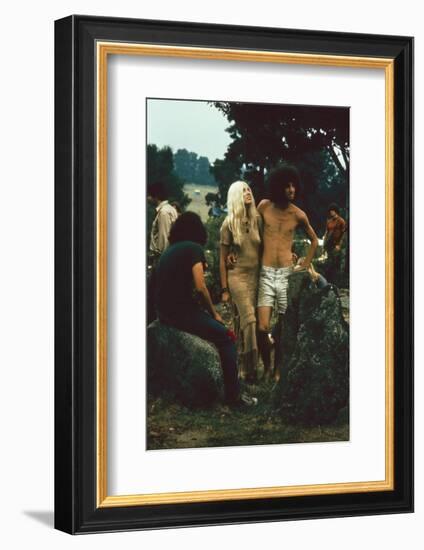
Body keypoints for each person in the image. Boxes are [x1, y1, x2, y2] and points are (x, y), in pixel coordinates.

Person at [155, 211, 257, 407]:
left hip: (164, 313)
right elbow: (201, 286)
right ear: (197, 230)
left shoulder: (170, 250)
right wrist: (214, 314)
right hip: (180, 312)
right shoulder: (194, 249)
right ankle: (234, 396)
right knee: (227, 337)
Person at [257, 164, 318, 381]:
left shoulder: (299, 215)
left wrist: (304, 264)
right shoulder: (264, 206)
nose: (291, 189)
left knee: (283, 329)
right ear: (278, 186)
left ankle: (277, 369)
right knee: (263, 328)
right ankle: (266, 365)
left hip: (285, 275)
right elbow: (251, 233)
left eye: (294, 186)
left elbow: (314, 240)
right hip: (265, 273)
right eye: (287, 186)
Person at [219, 181, 262, 384]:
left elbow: (266, 246)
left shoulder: (257, 220)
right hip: (237, 276)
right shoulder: (228, 224)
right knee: (250, 320)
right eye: (243, 190)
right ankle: (249, 372)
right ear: (236, 195)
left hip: (255, 276)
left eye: (249, 189)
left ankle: (244, 367)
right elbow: (222, 259)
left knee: (246, 325)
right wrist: (224, 289)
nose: (248, 192)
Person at [148, 181, 178, 261]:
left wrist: (161, 260)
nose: (148, 198)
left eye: (149, 195)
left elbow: (164, 237)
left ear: (156, 196)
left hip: (161, 257)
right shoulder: (169, 209)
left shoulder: (163, 212)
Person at [323, 203, 346, 284]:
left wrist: (339, 245)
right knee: (328, 263)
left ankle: (336, 283)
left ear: (336, 211)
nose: (331, 213)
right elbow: (326, 232)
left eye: (332, 211)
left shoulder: (341, 221)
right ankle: (328, 282)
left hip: (336, 244)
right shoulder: (329, 221)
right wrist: (324, 242)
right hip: (329, 244)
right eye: (330, 211)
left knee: (335, 264)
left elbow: (343, 234)